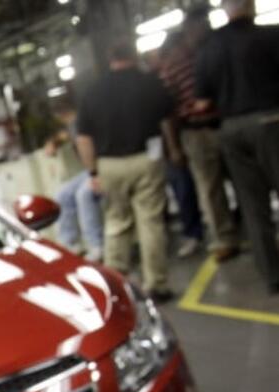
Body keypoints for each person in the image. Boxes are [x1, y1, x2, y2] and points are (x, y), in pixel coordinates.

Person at [76, 39, 179, 302]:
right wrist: (174, 149)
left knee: (116, 224)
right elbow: (168, 120)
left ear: (109, 59)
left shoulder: (93, 91)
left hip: (109, 165)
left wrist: (92, 173)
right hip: (147, 158)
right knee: (150, 222)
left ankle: (115, 286)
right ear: (133, 54)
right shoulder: (150, 83)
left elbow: (84, 138)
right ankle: (156, 284)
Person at [196, 0, 279, 293]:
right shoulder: (271, 36)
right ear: (251, 6)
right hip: (271, 121)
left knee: (253, 207)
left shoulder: (209, 49)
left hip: (230, 129)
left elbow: (202, 100)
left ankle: (272, 276)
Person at [158, 5, 240, 263]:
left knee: (244, 180)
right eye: (198, 25)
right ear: (188, 30)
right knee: (210, 188)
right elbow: (168, 112)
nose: (204, 29)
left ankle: (248, 226)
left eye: (206, 23)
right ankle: (224, 238)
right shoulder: (172, 65)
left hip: (227, 123)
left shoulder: (219, 51)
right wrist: (174, 147)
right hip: (196, 132)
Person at [47, 100, 104, 261]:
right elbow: (62, 136)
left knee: (83, 194)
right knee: (62, 195)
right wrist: (54, 142)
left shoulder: (87, 121)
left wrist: (95, 174)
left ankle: (97, 245)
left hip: (103, 167)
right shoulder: (71, 126)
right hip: (89, 171)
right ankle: (69, 244)